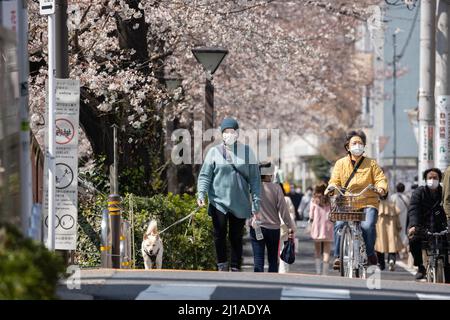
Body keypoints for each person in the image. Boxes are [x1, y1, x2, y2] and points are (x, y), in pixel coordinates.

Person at [197, 117, 261, 272]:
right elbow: (205, 175)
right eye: (226, 132)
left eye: (232, 131)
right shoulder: (213, 152)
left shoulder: (247, 152)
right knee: (219, 234)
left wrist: (256, 203)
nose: (229, 134)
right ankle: (221, 264)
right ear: (222, 134)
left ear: (237, 133)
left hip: (240, 202)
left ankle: (235, 265)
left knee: (236, 236)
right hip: (218, 200)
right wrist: (201, 194)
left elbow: (255, 179)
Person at [326, 130, 388, 270]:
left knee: (367, 226)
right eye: (354, 143)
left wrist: (381, 188)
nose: (357, 145)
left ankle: (370, 252)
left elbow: (380, 179)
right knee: (339, 224)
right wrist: (330, 188)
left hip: (368, 201)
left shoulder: (371, 163)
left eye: (360, 143)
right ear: (348, 146)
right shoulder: (340, 163)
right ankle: (338, 256)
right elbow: (334, 180)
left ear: (364, 146)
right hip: (346, 201)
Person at [250, 162, 296, 273]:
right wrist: (290, 226)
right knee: (272, 260)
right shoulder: (276, 188)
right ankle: (273, 284)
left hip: (257, 227)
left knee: (258, 259)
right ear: (268, 174)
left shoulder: (253, 188)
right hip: (273, 229)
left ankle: (258, 285)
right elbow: (283, 210)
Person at [407, 168, 450, 281]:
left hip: (441, 226)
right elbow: (413, 210)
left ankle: (447, 270)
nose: (432, 180)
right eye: (429, 178)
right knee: (414, 240)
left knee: (446, 246)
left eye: (435, 178)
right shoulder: (418, 193)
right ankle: (420, 266)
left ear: (440, 179)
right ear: (425, 179)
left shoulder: (443, 193)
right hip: (422, 226)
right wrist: (413, 226)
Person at [308, 184, 334, 275]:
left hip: (317, 227)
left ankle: (318, 271)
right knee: (327, 250)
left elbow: (311, 215)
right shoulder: (330, 200)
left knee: (317, 250)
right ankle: (325, 272)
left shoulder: (314, 200)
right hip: (328, 227)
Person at [375, 195, 404, 271]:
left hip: (379, 229)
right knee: (392, 246)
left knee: (380, 246)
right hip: (392, 229)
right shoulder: (392, 205)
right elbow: (397, 220)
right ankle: (391, 260)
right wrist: (399, 227)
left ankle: (381, 264)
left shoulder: (376, 205)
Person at [279, 183, 297, 273]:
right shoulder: (287, 199)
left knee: (276, 248)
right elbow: (292, 212)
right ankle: (283, 269)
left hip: (275, 225)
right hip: (286, 225)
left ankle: (278, 267)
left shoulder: (274, 198)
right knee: (285, 247)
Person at [390, 183, 410, 257]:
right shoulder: (406, 198)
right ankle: (401, 251)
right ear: (403, 189)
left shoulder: (392, 197)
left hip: (393, 218)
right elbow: (409, 206)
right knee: (402, 234)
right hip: (403, 218)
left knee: (393, 233)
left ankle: (393, 250)